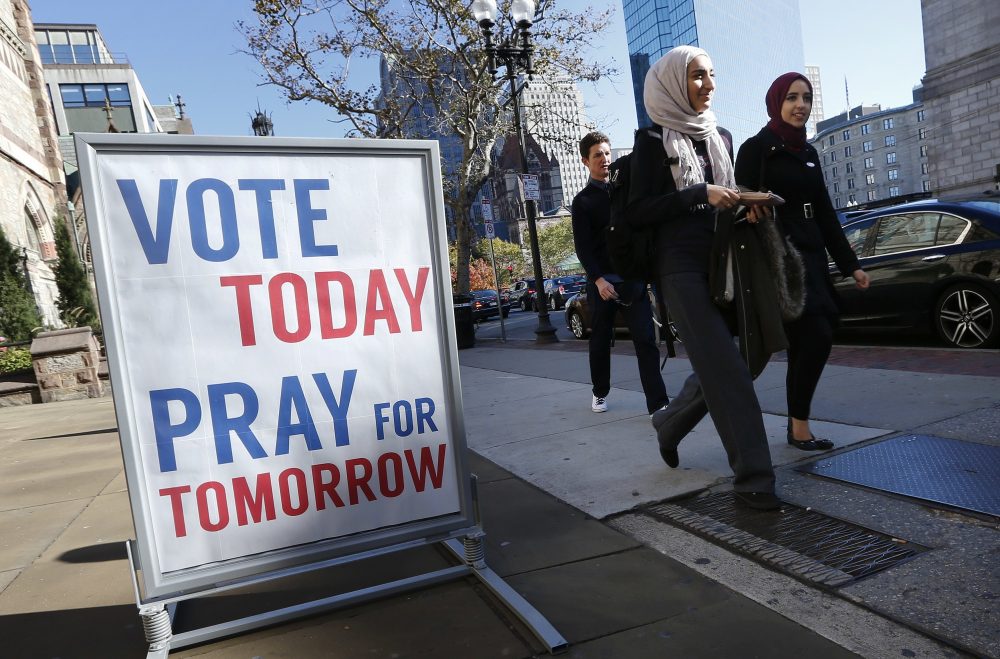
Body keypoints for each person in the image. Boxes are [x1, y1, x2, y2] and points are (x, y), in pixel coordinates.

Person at [627, 46, 781, 510]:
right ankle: (755, 479)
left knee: (747, 356)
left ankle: (670, 423)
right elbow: (637, 212)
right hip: (678, 269)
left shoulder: (723, 137)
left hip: (723, 261)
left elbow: (724, 196)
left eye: (712, 75)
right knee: (728, 370)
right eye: (697, 76)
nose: (709, 85)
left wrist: (746, 205)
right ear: (674, 82)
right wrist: (699, 194)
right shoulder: (651, 142)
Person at [735, 72, 870, 451]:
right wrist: (751, 211)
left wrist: (851, 265)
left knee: (815, 338)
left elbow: (826, 213)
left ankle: (798, 426)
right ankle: (789, 426)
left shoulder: (808, 153)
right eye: (792, 97)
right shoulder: (755, 148)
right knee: (812, 337)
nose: (801, 105)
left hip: (811, 255)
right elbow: (739, 201)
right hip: (778, 259)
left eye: (806, 98)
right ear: (776, 102)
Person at [571, 131, 670, 417]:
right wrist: (598, 280)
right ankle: (599, 392)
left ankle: (658, 403)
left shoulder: (626, 192)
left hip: (633, 281)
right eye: (597, 155)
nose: (603, 159)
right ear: (585, 162)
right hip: (602, 284)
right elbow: (583, 248)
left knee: (645, 342)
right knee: (600, 341)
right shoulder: (583, 202)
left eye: (606, 152)